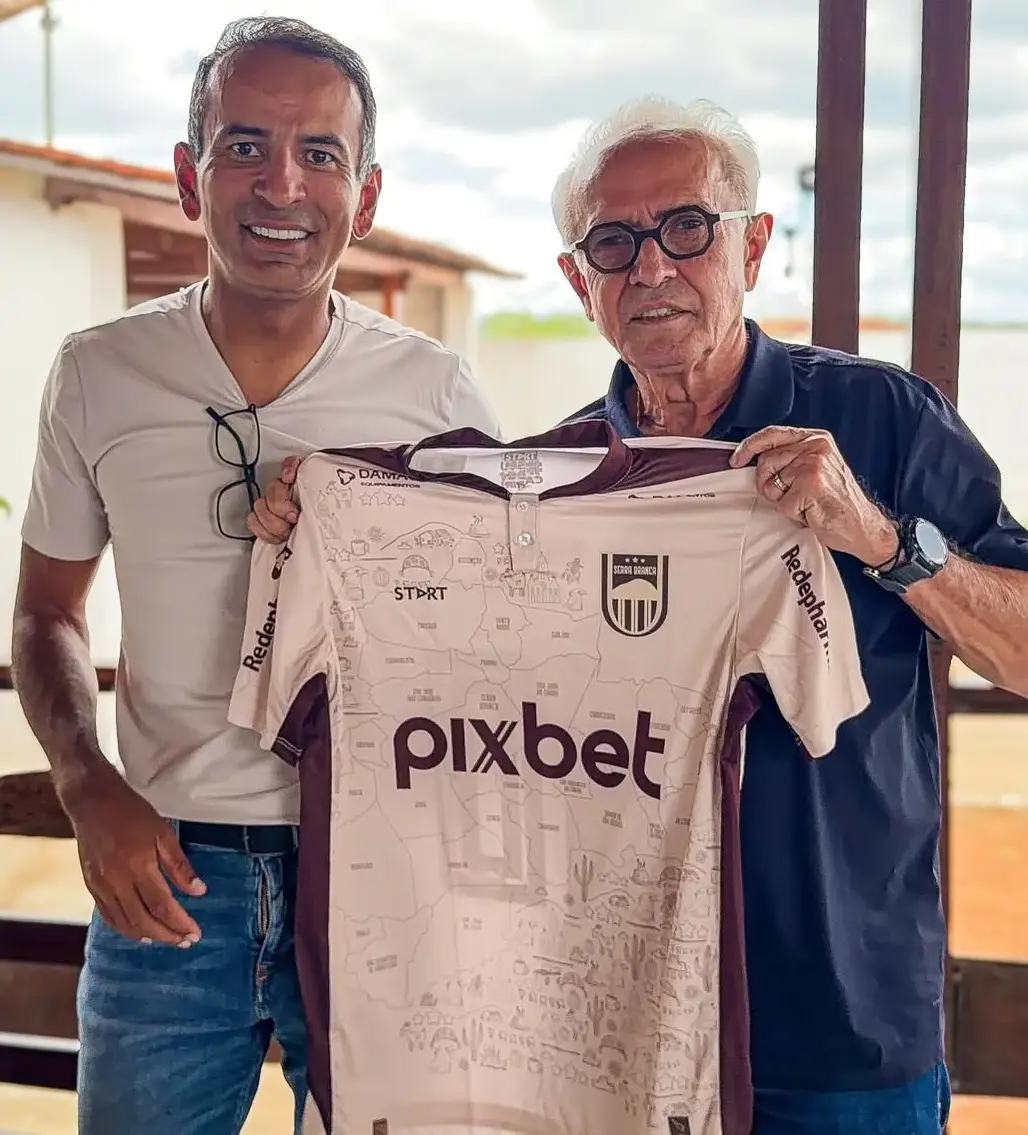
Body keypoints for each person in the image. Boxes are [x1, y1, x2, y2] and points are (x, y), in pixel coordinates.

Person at [252, 97, 1028, 1135]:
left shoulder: (881, 420)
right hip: (617, 1034)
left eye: (686, 227)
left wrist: (883, 541)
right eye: (613, 243)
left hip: (839, 1025)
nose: (652, 266)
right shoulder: (550, 480)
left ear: (752, 245)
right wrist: (320, 521)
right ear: (580, 283)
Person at [12, 16, 498, 1135]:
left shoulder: (433, 393)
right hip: (164, 877)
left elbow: (495, 630)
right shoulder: (98, 372)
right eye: (244, 146)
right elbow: (46, 613)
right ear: (190, 178)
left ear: (364, 197)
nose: (282, 184)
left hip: (380, 873)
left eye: (319, 153)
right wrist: (87, 785)